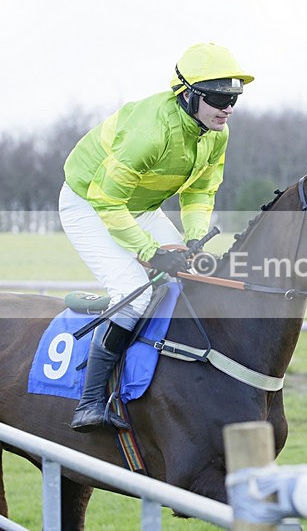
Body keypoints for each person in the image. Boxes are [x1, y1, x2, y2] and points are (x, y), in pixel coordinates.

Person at [58, 42, 253, 432]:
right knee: (135, 291)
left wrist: (194, 238)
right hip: (90, 204)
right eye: (218, 98)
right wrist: (150, 252)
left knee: (192, 274)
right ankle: (89, 402)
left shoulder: (216, 133)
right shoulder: (149, 133)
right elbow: (107, 200)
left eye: (234, 98)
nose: (228, 108)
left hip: (141, 206)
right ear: (188, 95)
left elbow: (200, 191)